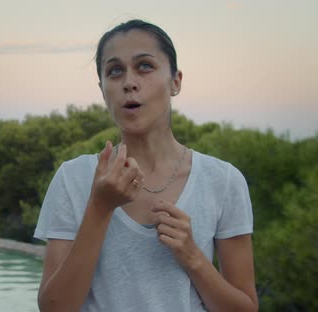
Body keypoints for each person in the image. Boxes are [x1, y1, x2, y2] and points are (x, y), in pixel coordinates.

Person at [33, 19, 258, 312]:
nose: (129, 82)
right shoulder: (72, 179)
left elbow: (245, 308)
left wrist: (193, 256)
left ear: (175, 82)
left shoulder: (223, 180)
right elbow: (54, 307)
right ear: (103, 90)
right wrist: (99, 208)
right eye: (115, 71)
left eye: (145, 66)